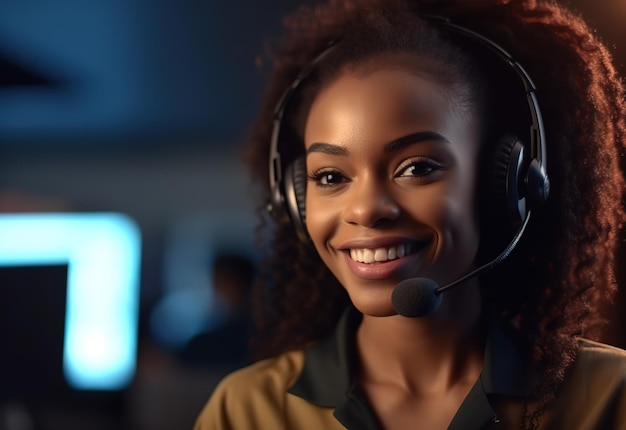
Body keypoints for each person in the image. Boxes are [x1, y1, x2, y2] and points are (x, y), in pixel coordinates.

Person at [195, 0, 626, 428]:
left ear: (507, 185)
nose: (365, 209)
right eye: (329, 177)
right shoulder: (245, 411)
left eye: (418, 168)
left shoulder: (608, 395)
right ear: (294, 198)